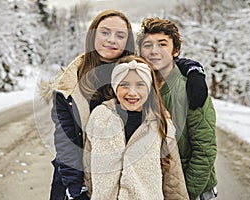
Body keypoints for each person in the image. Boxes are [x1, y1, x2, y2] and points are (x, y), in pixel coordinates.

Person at [40, 9, 207, 200]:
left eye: (120, 35)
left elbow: (163, 58)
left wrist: (194, 70)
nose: (111, 39)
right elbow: (66, 144)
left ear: (127, 42)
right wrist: (77, 191)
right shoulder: (69, 85)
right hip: (80, 185)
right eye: (104, 32)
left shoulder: (132, 68)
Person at [84, 55, 188, 200]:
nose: (132, 92)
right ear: (115, 87)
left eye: (140, 84)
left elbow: (173, 179)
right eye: (124, 84)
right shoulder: (100, 117)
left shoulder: (161, 124)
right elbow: (87, 167)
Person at [137, 17, 218, 200]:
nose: (154, 51)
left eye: (162, 44)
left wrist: (185, 193)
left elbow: (205, 150)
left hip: (191, 189)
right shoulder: (136, 90)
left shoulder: (191, 89)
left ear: (176, 51)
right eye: (148, 45)